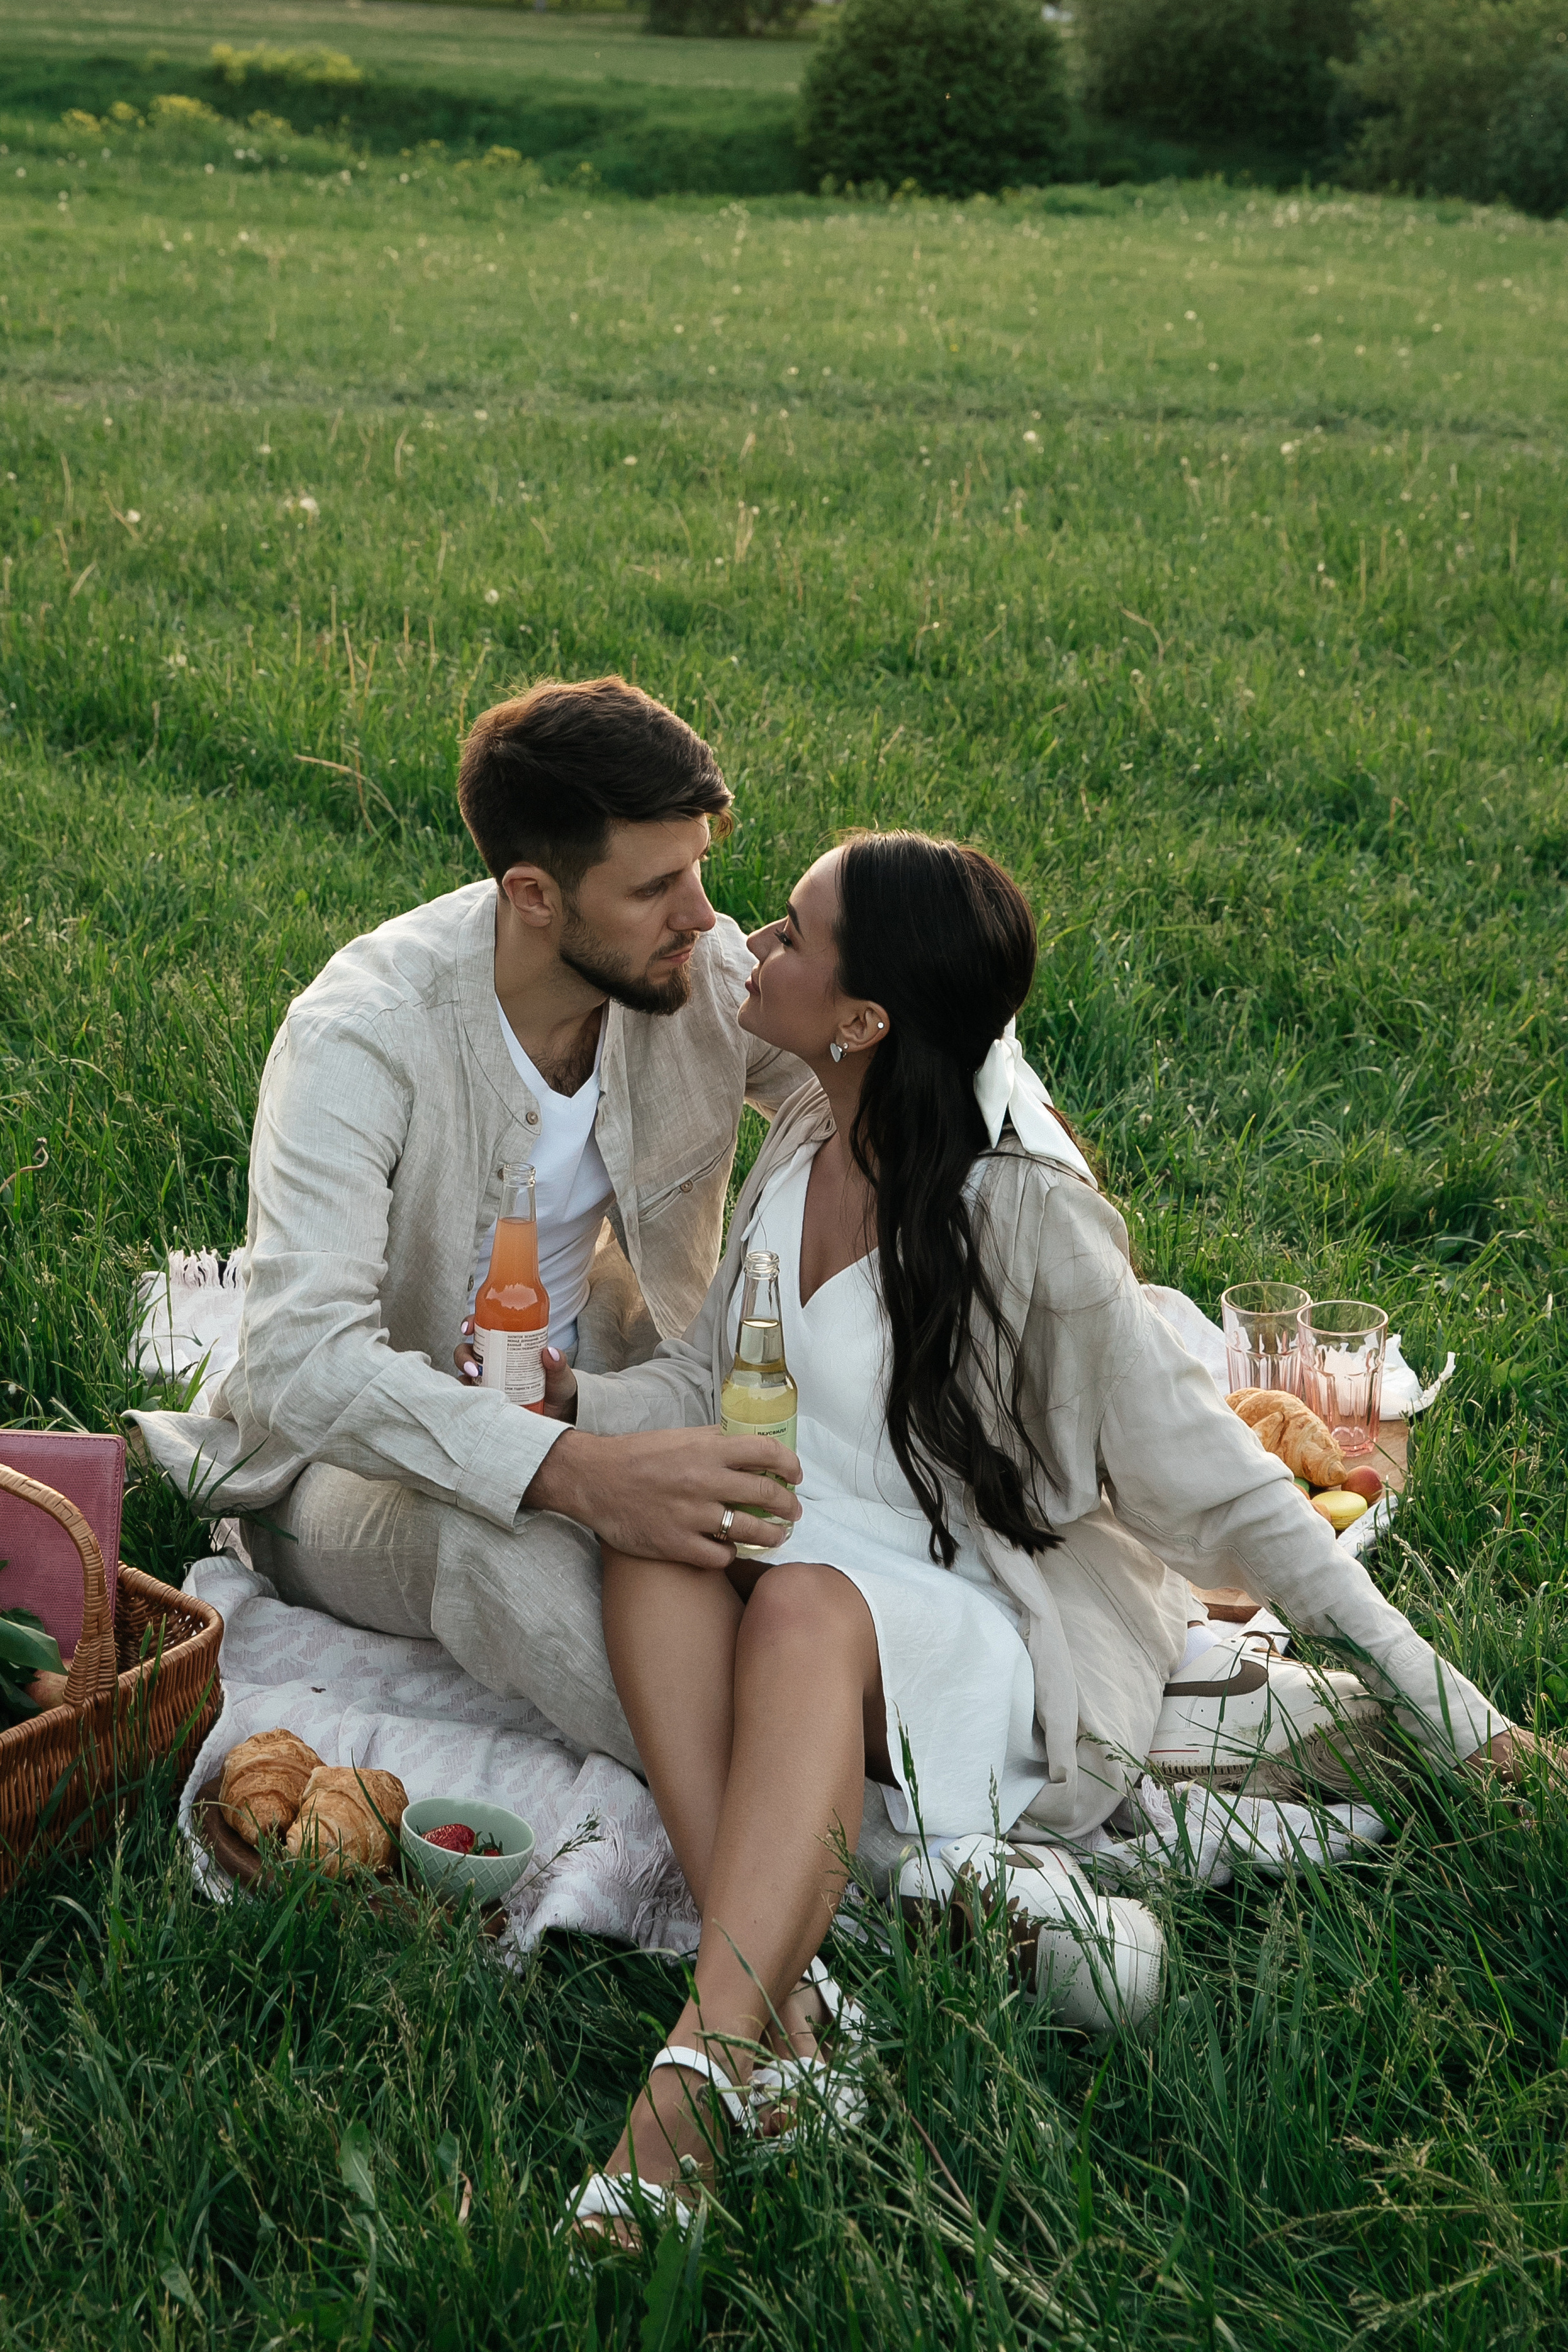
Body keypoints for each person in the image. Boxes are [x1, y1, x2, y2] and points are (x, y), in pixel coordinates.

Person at [549, 828, 1531, 2235]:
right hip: (796, 1541)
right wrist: (573, 1401)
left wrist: (1458, 1716)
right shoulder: (801, 1136)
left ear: (867, 1019)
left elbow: (1228, 1485)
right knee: (647, 1533)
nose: (753, 950)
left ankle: (697, 2078)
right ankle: (794, 2010)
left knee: (809, 1603)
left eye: (790, 934)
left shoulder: (1022, 1224)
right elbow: (716, 1384)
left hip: (976, 1620)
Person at [128, 676, 836, 1790]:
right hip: (347, 1468)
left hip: (600, 1386)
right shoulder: (361, 1038)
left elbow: (858, 1081)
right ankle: (865, 1849)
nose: (704, 916)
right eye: (656, 887)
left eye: (699, 868)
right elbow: (301, 1363)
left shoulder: (685, 977)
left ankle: (872, 1747)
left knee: (814, 1487)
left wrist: (1006, 1161)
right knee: (506, 1548)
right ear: (534, 894)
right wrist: (577, 1476)